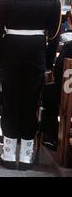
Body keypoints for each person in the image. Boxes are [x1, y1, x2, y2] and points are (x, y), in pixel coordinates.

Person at [0, 0, 61, 170]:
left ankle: (10, 153)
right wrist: (49, 65)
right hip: (36, 55)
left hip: (11, 53)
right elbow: (54, 37)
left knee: (10, 100)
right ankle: (27, 154)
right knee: (32, 103)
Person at [41, 11, 72, 150]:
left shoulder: (69, 46)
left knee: (48, 94)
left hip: (67, 93)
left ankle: (51, 136)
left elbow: (59, 72)